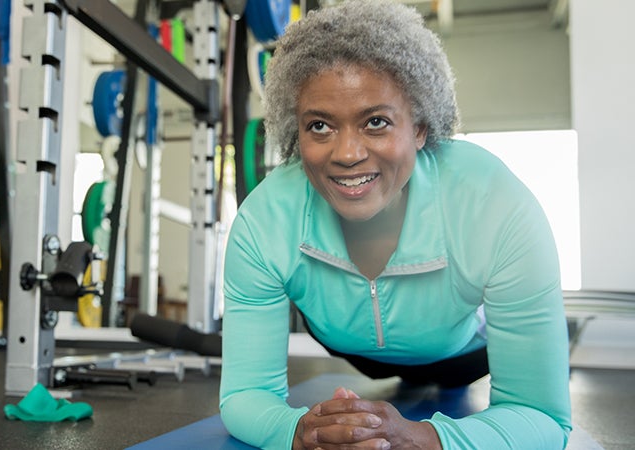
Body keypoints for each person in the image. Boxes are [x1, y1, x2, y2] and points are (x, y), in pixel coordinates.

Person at [219, 1, 572, 449]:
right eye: (320, 126)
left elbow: (543, 416)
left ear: (420, 128)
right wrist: (298, 433)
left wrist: (421, 439)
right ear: (297, 131)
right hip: (349, 348)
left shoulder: (495, 205)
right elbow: (245, 395)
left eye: (376, 122)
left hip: (464, 355)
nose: (346, 153)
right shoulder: (264, 221)